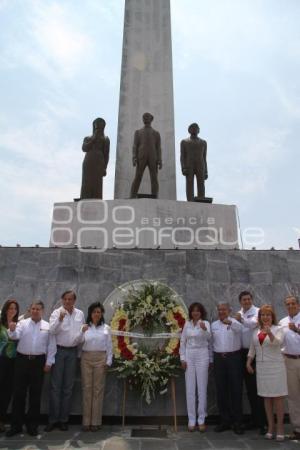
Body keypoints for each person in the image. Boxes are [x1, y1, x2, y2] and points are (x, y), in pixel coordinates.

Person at [6, 301, 56, 437]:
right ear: (30, 309)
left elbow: (51, 345)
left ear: (42, 311)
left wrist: (49, 362)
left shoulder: (48, 326)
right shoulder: (22, 323)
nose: (35, 311)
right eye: (33, 308)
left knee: (35, 395)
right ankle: (16, 426)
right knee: (19, 395)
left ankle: (32, 426)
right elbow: (14, 336)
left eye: (38, 309)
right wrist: (11, 328)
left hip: (39, 362)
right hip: (22, 360)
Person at [247, 304, 287, 442]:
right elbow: (252, 349)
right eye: (263, 315)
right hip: (262, 369)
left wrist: (269, 332)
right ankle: (270, 427)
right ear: (260, 317)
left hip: (276, 368)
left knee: (278, 398)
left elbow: (278, 343)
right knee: (266, 398)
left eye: (268, 315)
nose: (265, 317)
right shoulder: (255, 331)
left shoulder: (278, 329)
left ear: (272, 317)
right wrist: (248, 362)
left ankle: (280, 427)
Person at [46, 290, 85, 432]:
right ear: (62, 300)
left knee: (68, 388)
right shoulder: (57, 313)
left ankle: (63, 420)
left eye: (70, 299)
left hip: (73, 352)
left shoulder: (80, 314)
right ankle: (52, 420)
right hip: (59, 351)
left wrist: (79, 353)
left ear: (74, 300)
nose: (68, 302)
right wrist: (60, 320)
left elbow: (81, 334)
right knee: (56, 387)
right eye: (65, 299)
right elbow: (51, 331)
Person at [234, 291, 266, 433]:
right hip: (241, 354)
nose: (246, 302)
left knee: (256, 389)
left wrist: (239, 319)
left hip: (254, 354)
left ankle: (262, 422)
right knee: (247, 390)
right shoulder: (239, 313)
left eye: (248, 299)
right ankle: (252, 420)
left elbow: (252, 325)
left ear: (252, 300)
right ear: (240, 302)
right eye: (243, 300)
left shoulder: (258, 312)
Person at [79, 302, 113, 431]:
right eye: (94, 312)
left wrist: (109, 360)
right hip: (86, 358)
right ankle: (86, 422)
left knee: (98, 390)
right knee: (87, 389)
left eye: (99, 312)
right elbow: (78, 342)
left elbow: (110, 345)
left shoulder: (106, 328)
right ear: (90, 313)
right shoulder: (85, 327)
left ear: (102, 313)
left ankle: (96, 422)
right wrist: (81, 332)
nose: (96, 314)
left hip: (101, 359)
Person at [211, 302, 244, 434]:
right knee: (221, 391)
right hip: (219, 359)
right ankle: (224, 421)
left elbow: (240, 329)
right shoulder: (213, 325)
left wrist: (230, 322)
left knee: (236, 391)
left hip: (234, 358)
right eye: (219, 310)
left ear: (229, 310)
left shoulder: (235, 323)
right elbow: (211, 343)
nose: (221, 312)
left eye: (224, 309)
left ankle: (237, 423)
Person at [180, 302, 211, 432]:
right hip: (189, 355)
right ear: (191, 312)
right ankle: (191, 420)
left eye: (198, 311)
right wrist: (182, 358)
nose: (195, 313)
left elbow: (209, 338)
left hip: (202, 355)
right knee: (190, 389)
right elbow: (182, 341)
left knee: (202, 389)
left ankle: (201, 419)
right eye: (193, 310)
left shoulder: (206, 324)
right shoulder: (187, 324)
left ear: (201, 312)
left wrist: (204, 329)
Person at [279, 295, 300, 440]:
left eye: (293, 303)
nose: (290, 306)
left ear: (298, 305)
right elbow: (280, 342)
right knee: (293, 396)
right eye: (288, 304)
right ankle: (298, 428)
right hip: (290, 361)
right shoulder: (282, 322)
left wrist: (297, 330)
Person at [130, 112, 162, 198]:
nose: (145, 118)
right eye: (144, 117)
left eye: (147, 117)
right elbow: (135, 146)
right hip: (141, 157)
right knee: (138, 176)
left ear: (151, 119)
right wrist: (134, 157)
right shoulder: (138, 132)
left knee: (154, 178)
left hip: (153, 157)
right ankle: (132, 195)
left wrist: (160, 159)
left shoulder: (156, 133)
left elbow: (158, 147)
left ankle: (155, 195)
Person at [0, 299, 19, 432]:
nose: (12, 310)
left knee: (7, 392)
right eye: (10, 308)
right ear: (5, 309)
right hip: (1, 360)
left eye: (15, 308)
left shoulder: (19, 324)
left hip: (13, 362)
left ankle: (1, 420)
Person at [80, 117, 110, 199]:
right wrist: (93, 139)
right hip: (88, 160)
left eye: (101, 126)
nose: (99, 129)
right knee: (86, 181)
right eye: (97, 126)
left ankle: (96, 198)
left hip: (99, 161)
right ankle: (85, 197)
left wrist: (105, 168)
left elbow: (106, 155)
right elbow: (84, 148)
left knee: (97, 182)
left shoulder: (106, 139)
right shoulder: (88, 138)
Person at [180, 123, 208, 201]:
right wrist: (183, 168)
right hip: (189, 165)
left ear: (199, 130)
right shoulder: (184, 142)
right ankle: (190, 199)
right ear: (189, 130)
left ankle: (201, 198)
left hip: (200, 164)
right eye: (192, 128)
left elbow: (204, 158)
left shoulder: (203, 142)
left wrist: (206, 171)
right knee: (189, 182)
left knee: (201, 183)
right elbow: (182, 156)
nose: (194, 129)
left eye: (196, 128)